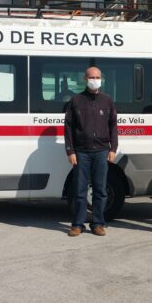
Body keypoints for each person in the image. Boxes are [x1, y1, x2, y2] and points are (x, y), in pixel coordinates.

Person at [64, 66, 118, 237]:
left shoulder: (107, 101)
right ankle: (78, 224)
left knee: (100, 190)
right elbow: (68, 128)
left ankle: (98, 223)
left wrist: (113, 149)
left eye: (98, 77)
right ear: (85, 79)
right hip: (81, 152)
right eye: (92, 77)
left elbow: (113, 127)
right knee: (80, 190)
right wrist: (70, 151)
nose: (95, 80)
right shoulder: (76, 100)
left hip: (102, 151)